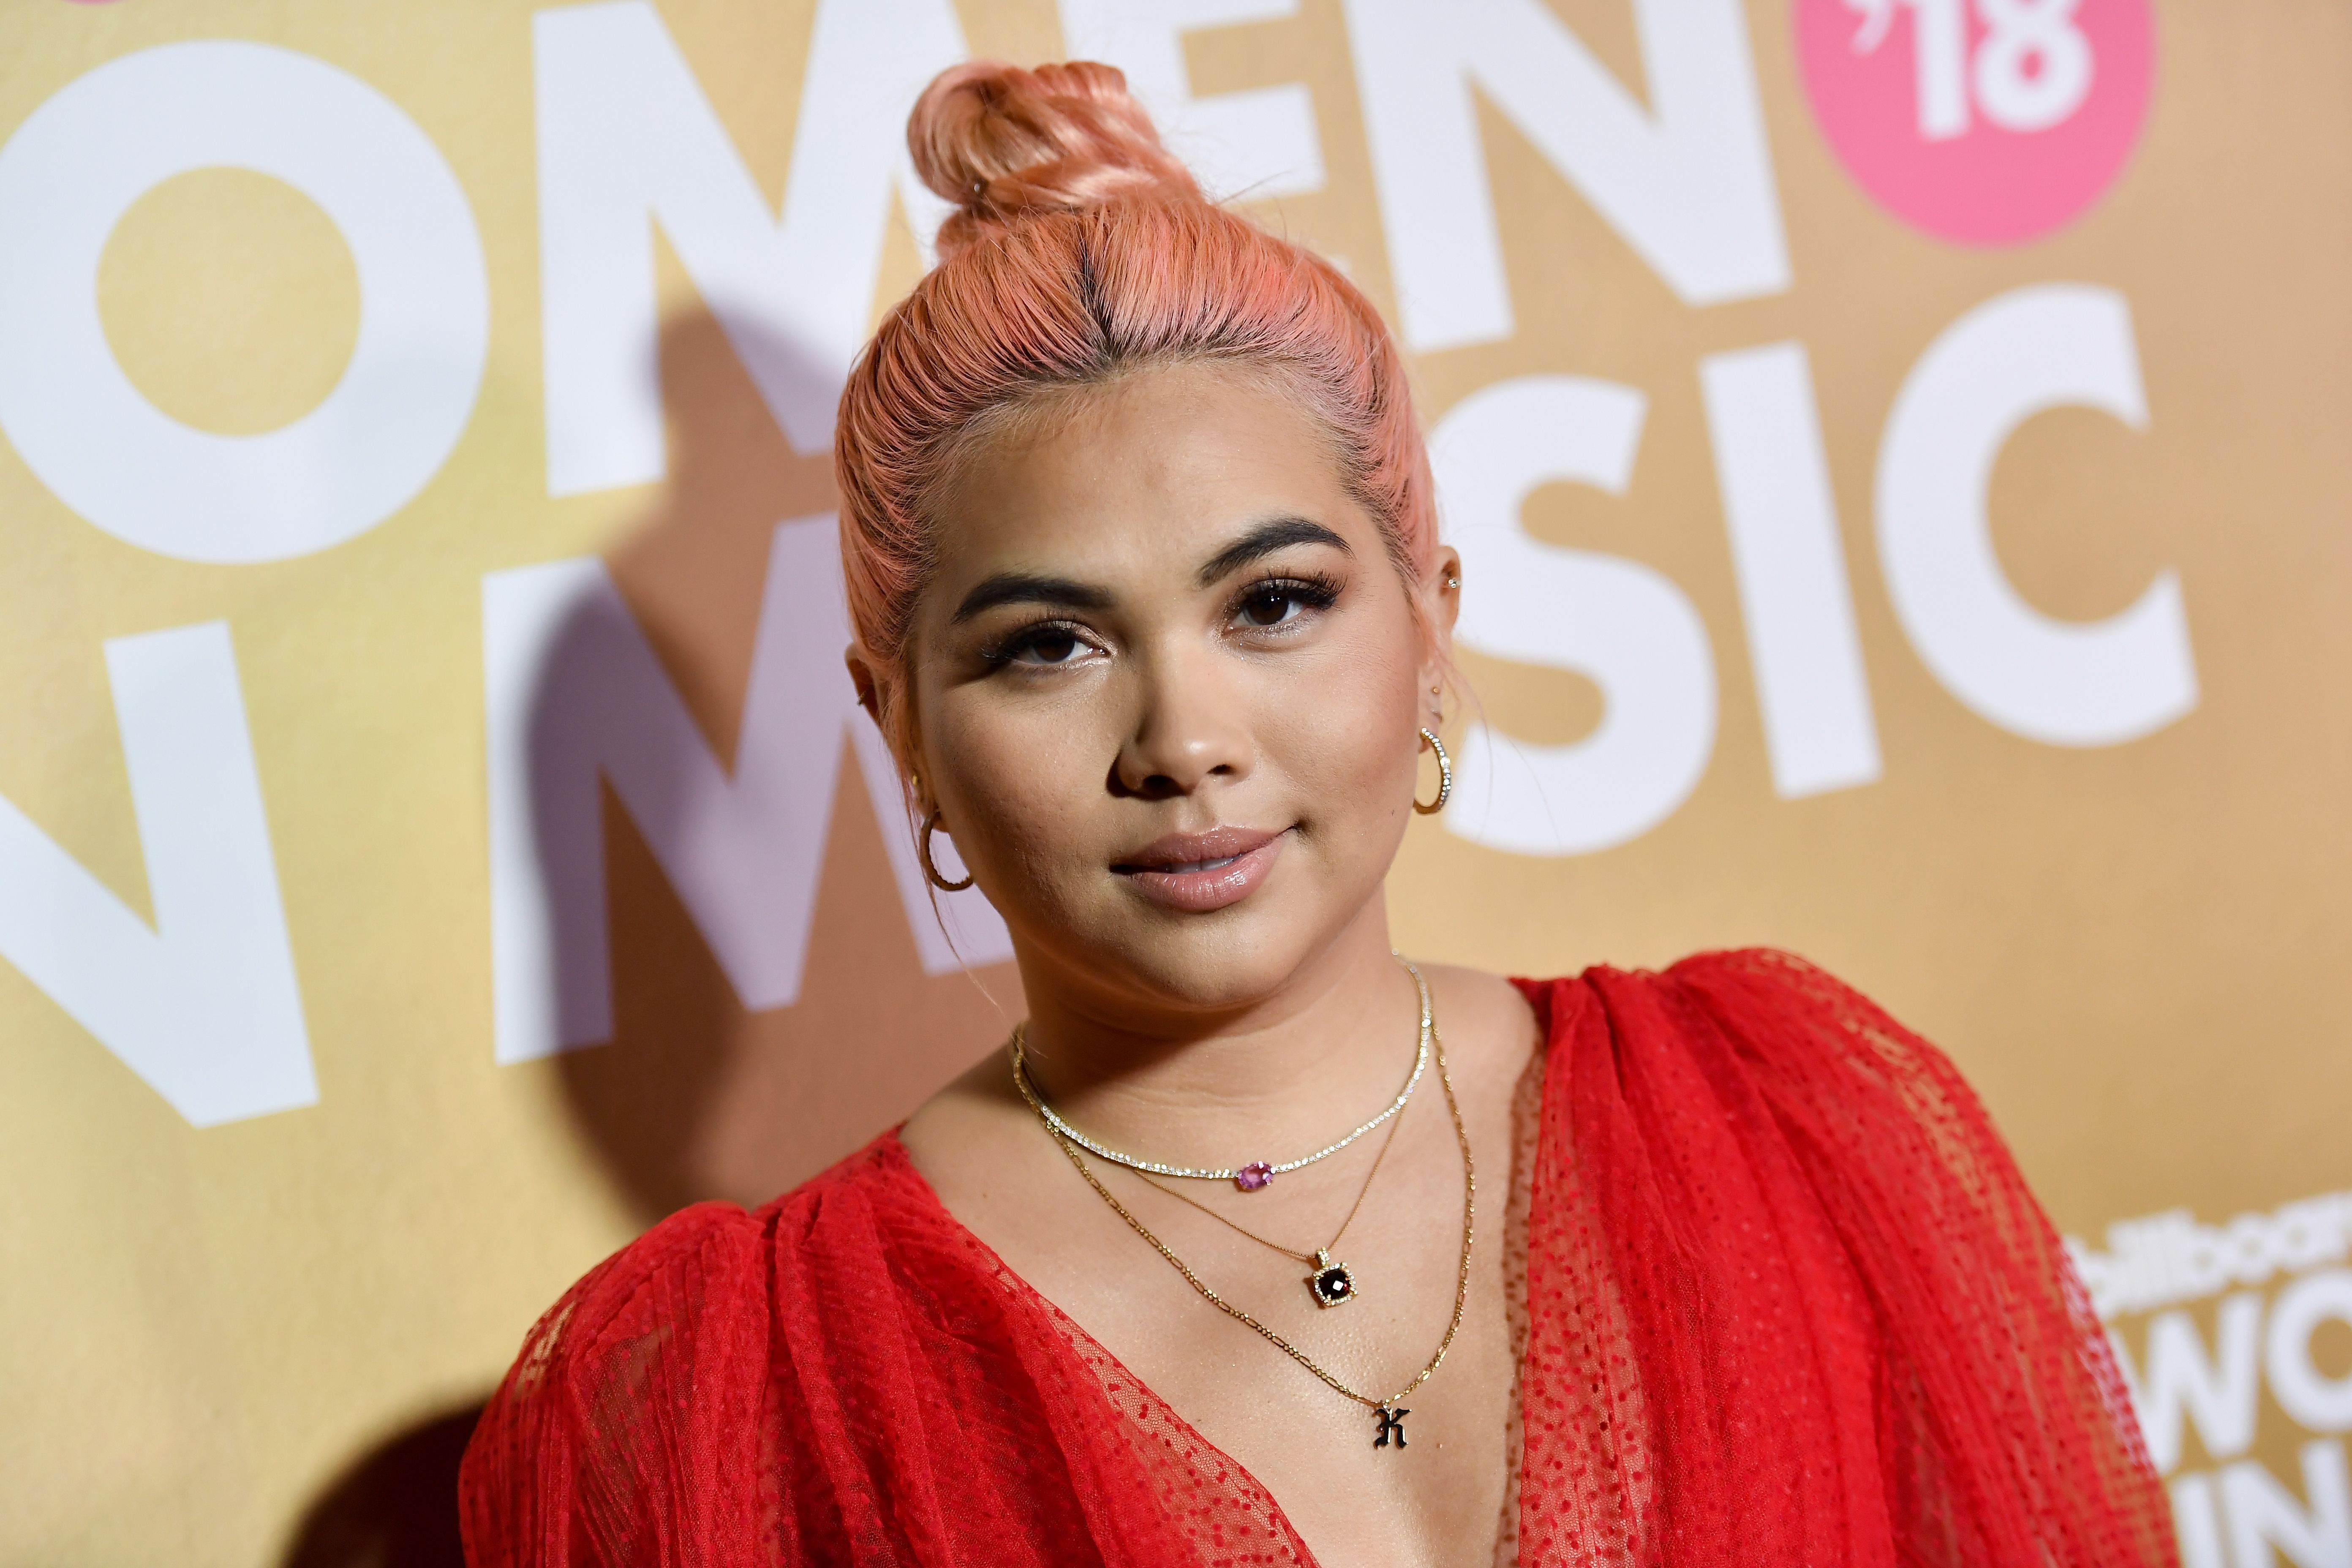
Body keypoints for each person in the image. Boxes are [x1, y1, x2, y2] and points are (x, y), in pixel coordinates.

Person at [459, 60, 2175, 1568]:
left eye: (1272, 604)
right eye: (1049, 645)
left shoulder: (1782, 1129)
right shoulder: (724, 1397)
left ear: (1430, 618)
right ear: (895, 720)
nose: (1184, 741)